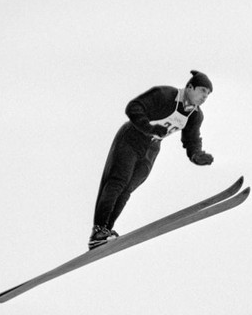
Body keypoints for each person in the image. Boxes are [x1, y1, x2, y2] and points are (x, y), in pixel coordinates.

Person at [89, 70, 216, 249]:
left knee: (128, 189)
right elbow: (133, 107)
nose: (205, 96)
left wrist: (196, 155)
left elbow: (191, 140)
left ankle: (106, 232)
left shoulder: (195, 115)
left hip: (151, 147)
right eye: (202, 90)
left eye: (208, 94)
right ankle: (99, 229)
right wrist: (149, 127)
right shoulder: (166, 95)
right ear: (189, 87)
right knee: (118, 182)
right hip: (132, 137)